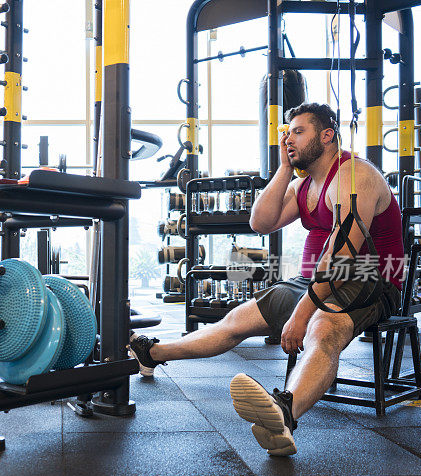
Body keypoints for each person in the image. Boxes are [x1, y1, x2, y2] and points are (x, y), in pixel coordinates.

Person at [129, 103, 405, 456]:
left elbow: (342, 256)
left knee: (322, 328)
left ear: (327, 135)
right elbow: (260, 222)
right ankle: (152, 353)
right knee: (234, 321)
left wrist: (302, 313)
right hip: (315, 281)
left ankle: (285, 414)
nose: (288, 137)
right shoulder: (305, 184)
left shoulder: (355, 176)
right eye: (286, 132)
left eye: (298, 131)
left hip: (371, 281)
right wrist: (284, 168)